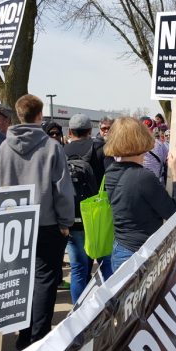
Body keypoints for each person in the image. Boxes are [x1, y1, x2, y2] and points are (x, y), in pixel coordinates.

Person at [0, 94, 74, 350]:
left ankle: (24, 333)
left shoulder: (4, 147)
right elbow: (62, 188)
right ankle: (40, 335)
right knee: (45, 279)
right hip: (47, 222)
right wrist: (65, 220)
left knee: (21, 279)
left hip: (14, 221)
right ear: (39, 116)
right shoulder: (51, 147)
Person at [104, 117, 176, 271]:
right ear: (142, 138)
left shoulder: (111, 171)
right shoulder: (143, 177)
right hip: (139, 254)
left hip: (121, 248)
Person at [63, 114, 111, 303]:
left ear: (69, 131)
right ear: (90, 131)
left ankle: (78, 311)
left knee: (78, 269)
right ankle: (108, 305)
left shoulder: (61, 151)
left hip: (72, 216)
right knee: (106, 263)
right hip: (98, 215)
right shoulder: (100, 149)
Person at [140, 117, 168, 185]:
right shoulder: (161, 144)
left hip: (138, 182)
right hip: (155, 182)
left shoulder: (134, 144)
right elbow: (165, 161)